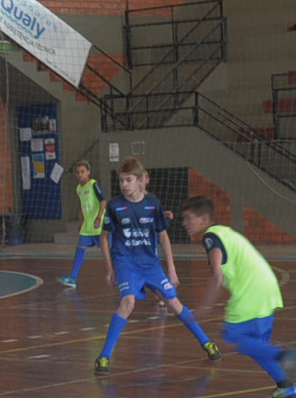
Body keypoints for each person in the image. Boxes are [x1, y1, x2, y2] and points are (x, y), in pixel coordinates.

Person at [94, 157, 219, 374]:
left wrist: (171, 268)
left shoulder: (153, 203)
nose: (124, 184)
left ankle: (206, 342)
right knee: (128, 302)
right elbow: (104, 237)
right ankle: (103, 357)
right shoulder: (115, 206)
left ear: (141, 181)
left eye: (128, 180)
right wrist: (109, 268)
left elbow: (163, 236)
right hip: (126, 263)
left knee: (174, 304)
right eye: (121, 180)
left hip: (151, 265)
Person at [181, 197, 296, 398]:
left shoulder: (211, 237)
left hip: (251, 292)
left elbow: (217, 276)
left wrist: (204, 308)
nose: (184, 223)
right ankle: (285, 385)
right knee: (254, 345)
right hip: (268, 287)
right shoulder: (225, 232)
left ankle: (283, 354)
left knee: (233, 336)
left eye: (189, 218)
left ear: (204, 219)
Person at [58, 158, 105, 287]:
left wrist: (99, 218)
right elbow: (83, 206)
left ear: (88, 172)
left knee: (110, 251)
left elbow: (103, 201)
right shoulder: (78, 188)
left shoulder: (94, 185)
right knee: (80, 248)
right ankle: (72, 278)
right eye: (77, 172)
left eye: (82, 171)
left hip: (98, 225)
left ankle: (120, 275)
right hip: (87, 226)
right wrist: (81, 222)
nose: (80, 174)